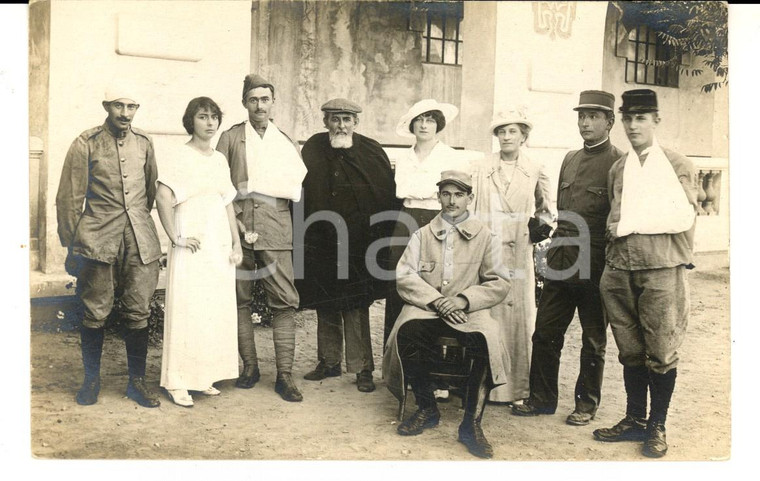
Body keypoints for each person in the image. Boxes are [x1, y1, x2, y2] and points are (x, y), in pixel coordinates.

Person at [593, 89, 698, 458]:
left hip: (661, 270)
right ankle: (635, 419)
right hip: (620, 269)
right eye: (628, 118)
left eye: (641, 118)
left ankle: (657, 425)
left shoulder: (675, 162)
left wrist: (628, 226)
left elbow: (683, 216)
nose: (633, 125)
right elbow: (613, 216)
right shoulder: (619, 167)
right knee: (630, 351)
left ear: (656, 121)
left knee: (662, 351)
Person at [512, 91, 622, 425]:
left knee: (593, 340)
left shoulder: (619, 162)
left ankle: (586, 404)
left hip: (595, 264)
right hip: (560, 260)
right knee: (544, 333)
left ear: (609, 122)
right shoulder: (570, 158)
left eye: (593, 116)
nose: (585, 122)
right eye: (581, 116)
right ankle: (542, 399)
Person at [383, 170, 509, 459]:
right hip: (428, 308)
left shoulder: (486, 237)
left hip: (468, 311)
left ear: (470, 198)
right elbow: (405, 276)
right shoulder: (422, 234)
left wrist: (464, 300)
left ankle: (470, 424)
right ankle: (427, 408)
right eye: (446, 193)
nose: (452, 200)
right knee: (407, 331)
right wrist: (437, 301)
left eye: (459, 194)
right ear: (438, 196)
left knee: (485, 339)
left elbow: (499, 282)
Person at [56, 86, 162, 408]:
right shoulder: (86, 143)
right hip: (98, 237)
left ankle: (137, 382)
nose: (125, 113)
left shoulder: (145, 143)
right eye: (119, 105)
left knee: (138, 308)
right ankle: (91, 381)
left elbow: (148, 189)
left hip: (139, 239)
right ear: (106, 106)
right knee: (95, 309)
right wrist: (72, 246)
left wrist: (138, 223)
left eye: (132, 106)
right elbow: (69, 199)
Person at [297, 98, 400, 393]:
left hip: (358, 242)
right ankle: (328, 362)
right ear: (325, 122)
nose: (341, 125)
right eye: (335, 119)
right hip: (321, 240)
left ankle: (362, 368)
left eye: (346, 120)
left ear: (356, 122)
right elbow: (302, 191)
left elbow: (385, 194)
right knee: (325, 299)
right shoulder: (314, 148)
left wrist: (377, 238)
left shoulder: (370, 150)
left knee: (356, 304)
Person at [216, 74, 307, 402]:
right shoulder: (229, 138)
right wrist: (234, 225)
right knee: (239, 299)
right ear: (244, 103)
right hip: (237, 230)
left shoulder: (284, 140)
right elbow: (219, 185)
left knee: (284, 300)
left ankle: (285, 375)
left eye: (265, 99)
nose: (259, 105)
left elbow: (294, 189)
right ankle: (250, 367)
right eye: (253, 99)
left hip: (275, 230)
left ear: (272, 103)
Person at [155, 97, 242, 407]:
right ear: (190, 121)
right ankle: (177, 382)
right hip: (191, 248)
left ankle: (202, 377)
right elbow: (163, 196)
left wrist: (236, 242)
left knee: (211, 310)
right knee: (187, 309)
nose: (210, 123)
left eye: (214, 117)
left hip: (216, 248)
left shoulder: (219, 159)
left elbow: (227, 201)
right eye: (203, 117)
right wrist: (175, 237)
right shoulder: (181, 156)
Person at [470, 109, 554, 403]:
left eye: (513, 132)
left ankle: (517, 388)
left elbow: (546, 209)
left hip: (519, 252)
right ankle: (485, 387)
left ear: (523, 136)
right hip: (488, 251)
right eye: (502, 131)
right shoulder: (481, 168)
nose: (507, 137)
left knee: (518, 318)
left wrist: (535, 230)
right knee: (487, 315)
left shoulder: (534, 168)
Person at [383, 99, 471, 349]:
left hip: (438, 218)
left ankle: (431, 360)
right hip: (406, 217)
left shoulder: (451, 157)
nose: (424, 125)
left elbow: (459, 199)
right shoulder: (403, 157)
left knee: (435, 284)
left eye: (430, 120)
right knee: (399, 281)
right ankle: (396, 360)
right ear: (412, 125)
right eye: (419, 120)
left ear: (438, 125)